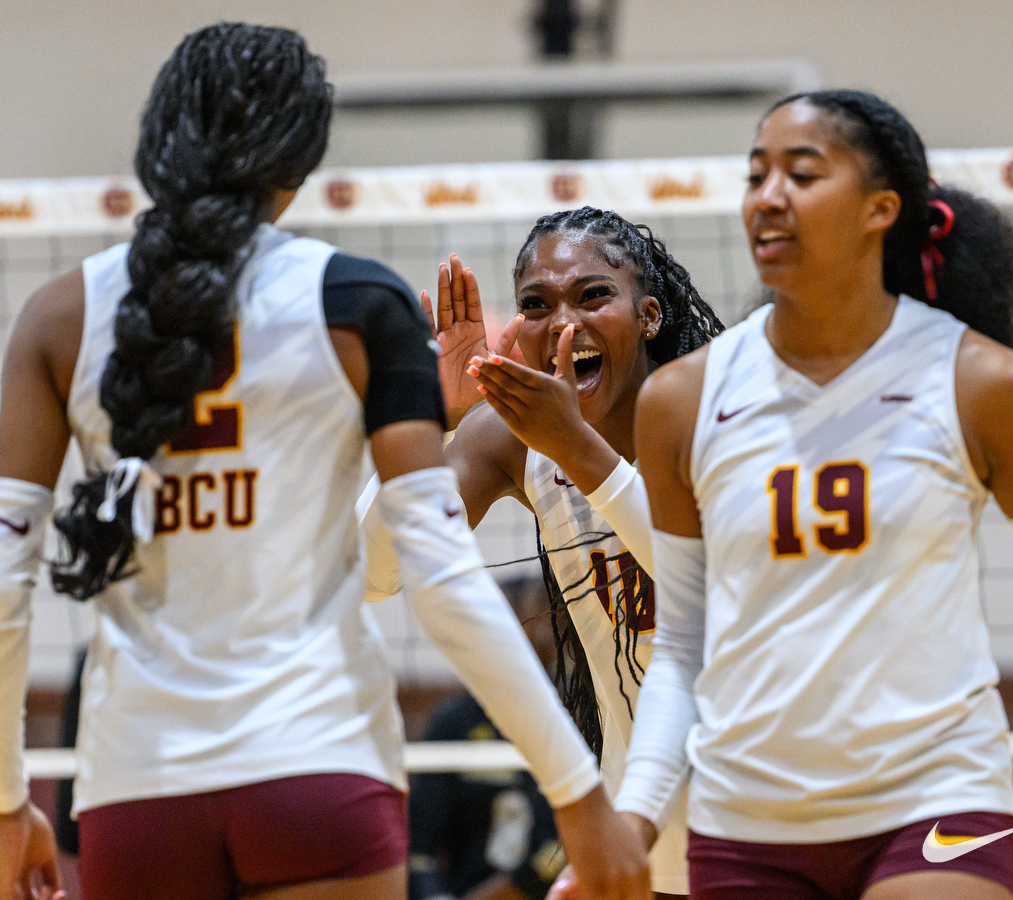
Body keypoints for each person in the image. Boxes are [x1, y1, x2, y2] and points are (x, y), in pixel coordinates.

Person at [0, 24, 649, 900]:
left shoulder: (57, 313)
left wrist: (8, 801)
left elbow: (5, 585)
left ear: (159, 141)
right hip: (317, 768)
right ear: (303, 160)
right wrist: (576, 793)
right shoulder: (355, 300)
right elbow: (439, 572)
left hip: (136, 786)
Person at [612, 90, 1013, 900]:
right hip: (747, 822)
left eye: (802, 173)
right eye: (756, 175)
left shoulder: (984, 385)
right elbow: (682, 643)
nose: (769, 196)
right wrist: (635, 818)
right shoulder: (682, 400)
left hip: (938, 800)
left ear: (880, 209)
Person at [361, 207, 724, 898]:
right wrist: (425, 421)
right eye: (536, 304)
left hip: (767, 814)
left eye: (593, 296)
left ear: (648, 315)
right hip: (637, 833)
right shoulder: (509, 438)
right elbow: (373, 574)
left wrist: (579, 453)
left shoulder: (713, 409)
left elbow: (725, 584)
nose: (564, 323)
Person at [408, 576, 565, 900]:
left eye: (546, 624)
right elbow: (418, 847)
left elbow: (559, 849)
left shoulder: (574, 717)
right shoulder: (455, 722)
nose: (542, 635)